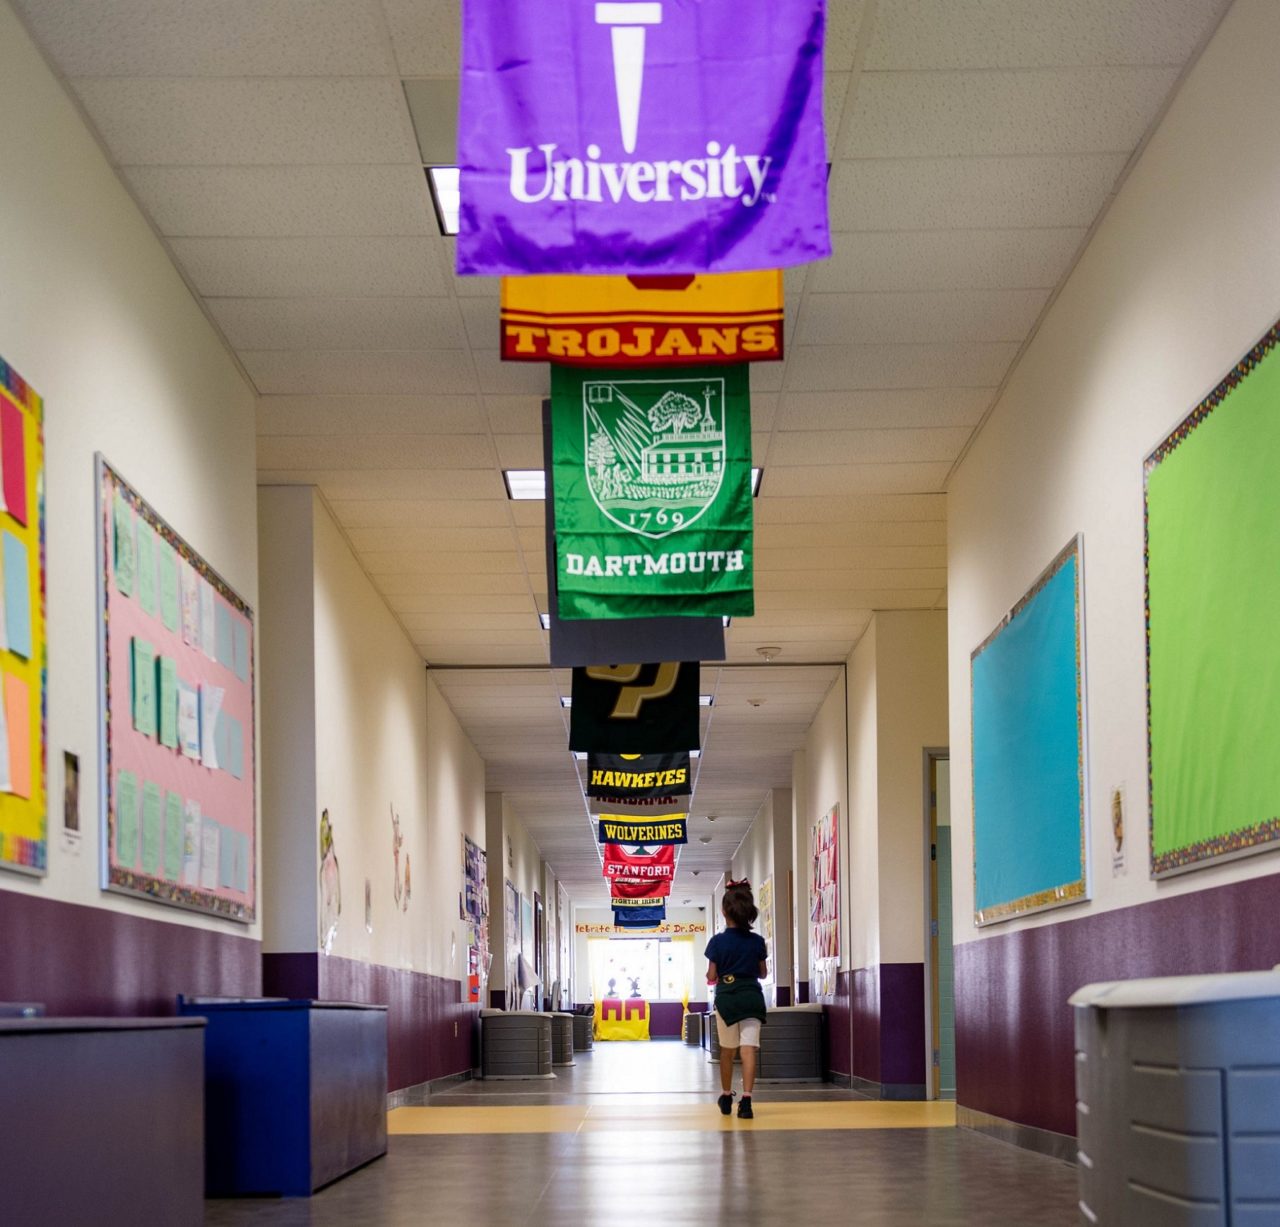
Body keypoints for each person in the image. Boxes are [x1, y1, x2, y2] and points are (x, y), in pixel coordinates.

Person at [704, 878, 768, 1119]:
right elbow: (762, 973)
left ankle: (726, 1094)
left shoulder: (717, 942)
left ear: (724, 911)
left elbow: (712, 975)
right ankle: (747, 1100)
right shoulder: (757, 941)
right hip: (752, 997)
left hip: (727, 999)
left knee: (728, 1050)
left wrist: (715, 976)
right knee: (749, 1050)